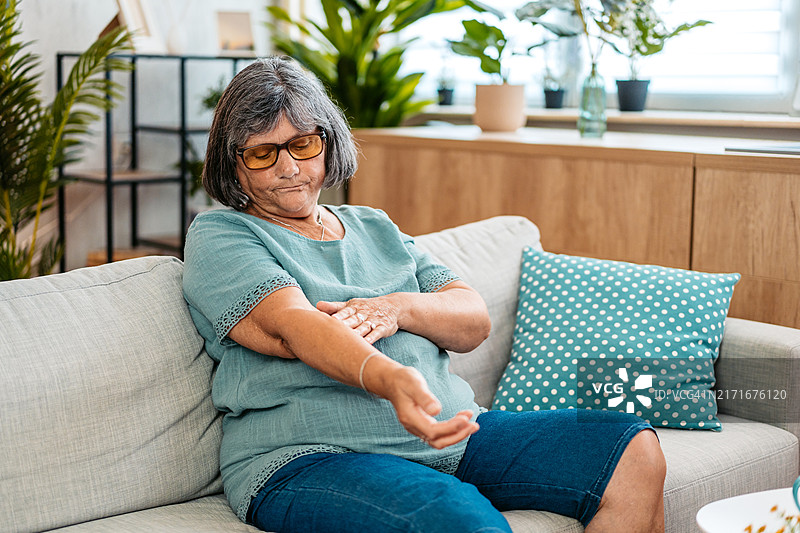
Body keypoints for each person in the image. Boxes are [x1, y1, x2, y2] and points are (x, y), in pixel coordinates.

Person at [182, 56, 666, 533]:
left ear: (327, 142)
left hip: (454, 436)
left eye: (303, 144)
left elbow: (472, 319)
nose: (289, 167)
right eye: (262, 154)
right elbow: (293, 327)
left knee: (631, 449)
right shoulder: (223, 233)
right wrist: (392, 380)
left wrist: (396, 307)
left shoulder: (374, 225)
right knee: (460, 519)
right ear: (234, 165)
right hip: (308, 458)